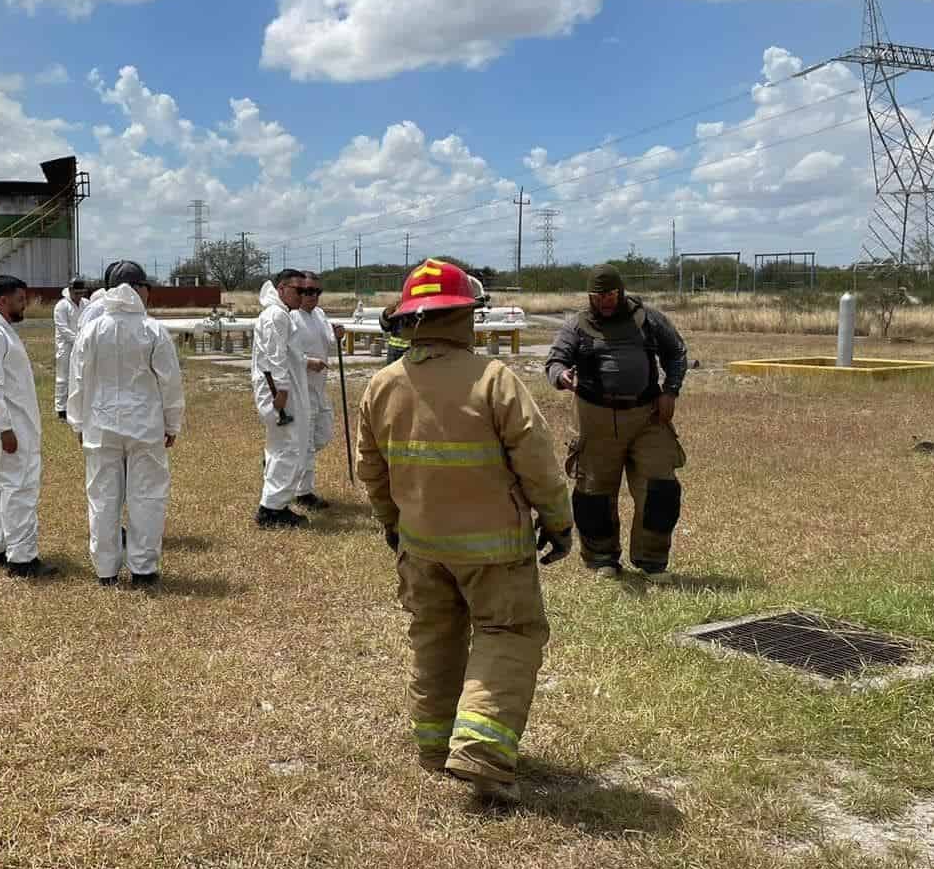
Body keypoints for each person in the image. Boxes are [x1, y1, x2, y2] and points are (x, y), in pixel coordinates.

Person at [355, 257, 573, 805]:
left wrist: (392, 526)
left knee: (435, 637)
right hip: (494, 550)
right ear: (465, 317)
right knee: (508, 633)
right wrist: (559, 522)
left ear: (409, 320)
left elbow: (372, 471)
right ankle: (480, 752)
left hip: (421, 547)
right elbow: (538, 462)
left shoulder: (382, 385)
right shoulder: (493, 379)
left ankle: (433, 747)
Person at [544, 264, 688, 583]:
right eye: (598, 296)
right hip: (595, 417)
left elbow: (676, 352)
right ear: (590, 296)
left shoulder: (647, 319)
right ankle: (602, 559)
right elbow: (555, 360)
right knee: (593, 493)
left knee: (661, 488)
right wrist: (561, 376)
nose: (605, 301)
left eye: (610, 294)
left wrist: (671, 390)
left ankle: (652, 562)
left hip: (647, 415)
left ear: (620, 292)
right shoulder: (577, 325)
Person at [66, 261, 185, 587]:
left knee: (103, 497)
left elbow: (79, 380)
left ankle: (106, 570)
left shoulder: (91, 329)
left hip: (100, 425)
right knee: (146, 496)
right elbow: (169, 383)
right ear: (139, 288)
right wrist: (171, 423)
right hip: (145, 426)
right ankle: (143, 569)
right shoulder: (151, 329)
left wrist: (77, 422)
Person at [0, 274, 56, 578]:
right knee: (18, 487)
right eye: (20, 300)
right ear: (3, 301)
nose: (24, 305)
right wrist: (5, 429)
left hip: (4, 425)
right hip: (9, 427)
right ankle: (22, 558)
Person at [251, 269, 312, 527]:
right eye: (298, 290)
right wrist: (283, 392)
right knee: (289, 447)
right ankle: (272, 509)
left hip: (277, 389)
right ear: (282, 289)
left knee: (280, 447)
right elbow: (276, 356)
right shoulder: (276, 315)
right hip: (278, 392)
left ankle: (274, 502)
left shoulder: (279, 314)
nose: (303, 295)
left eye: (306, 291)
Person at [289, 271, 341, 509]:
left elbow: (329, 340)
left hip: (320, 388)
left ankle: (280, 462)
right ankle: (304, 492)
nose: (313, 296)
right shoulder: (290, 317)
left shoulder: (319, 314)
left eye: (317, 292)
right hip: (300, 389)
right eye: (308, 291)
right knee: (307, 442)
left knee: (323, 434)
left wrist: (338, 334)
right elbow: (284, 353)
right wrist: (307, 362)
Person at [52, 277, 88, 420]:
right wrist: (78, 340)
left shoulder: (86, 304)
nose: (79, 296)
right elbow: (62, 328)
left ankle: (77, 407)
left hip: (82, 345)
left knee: (80, 375)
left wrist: (84, 341)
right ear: (70, 290)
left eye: (81, 293)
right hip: (65, 346)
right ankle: (61, 409)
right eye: (76, 293)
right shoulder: (61, 306)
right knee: (63, 377)